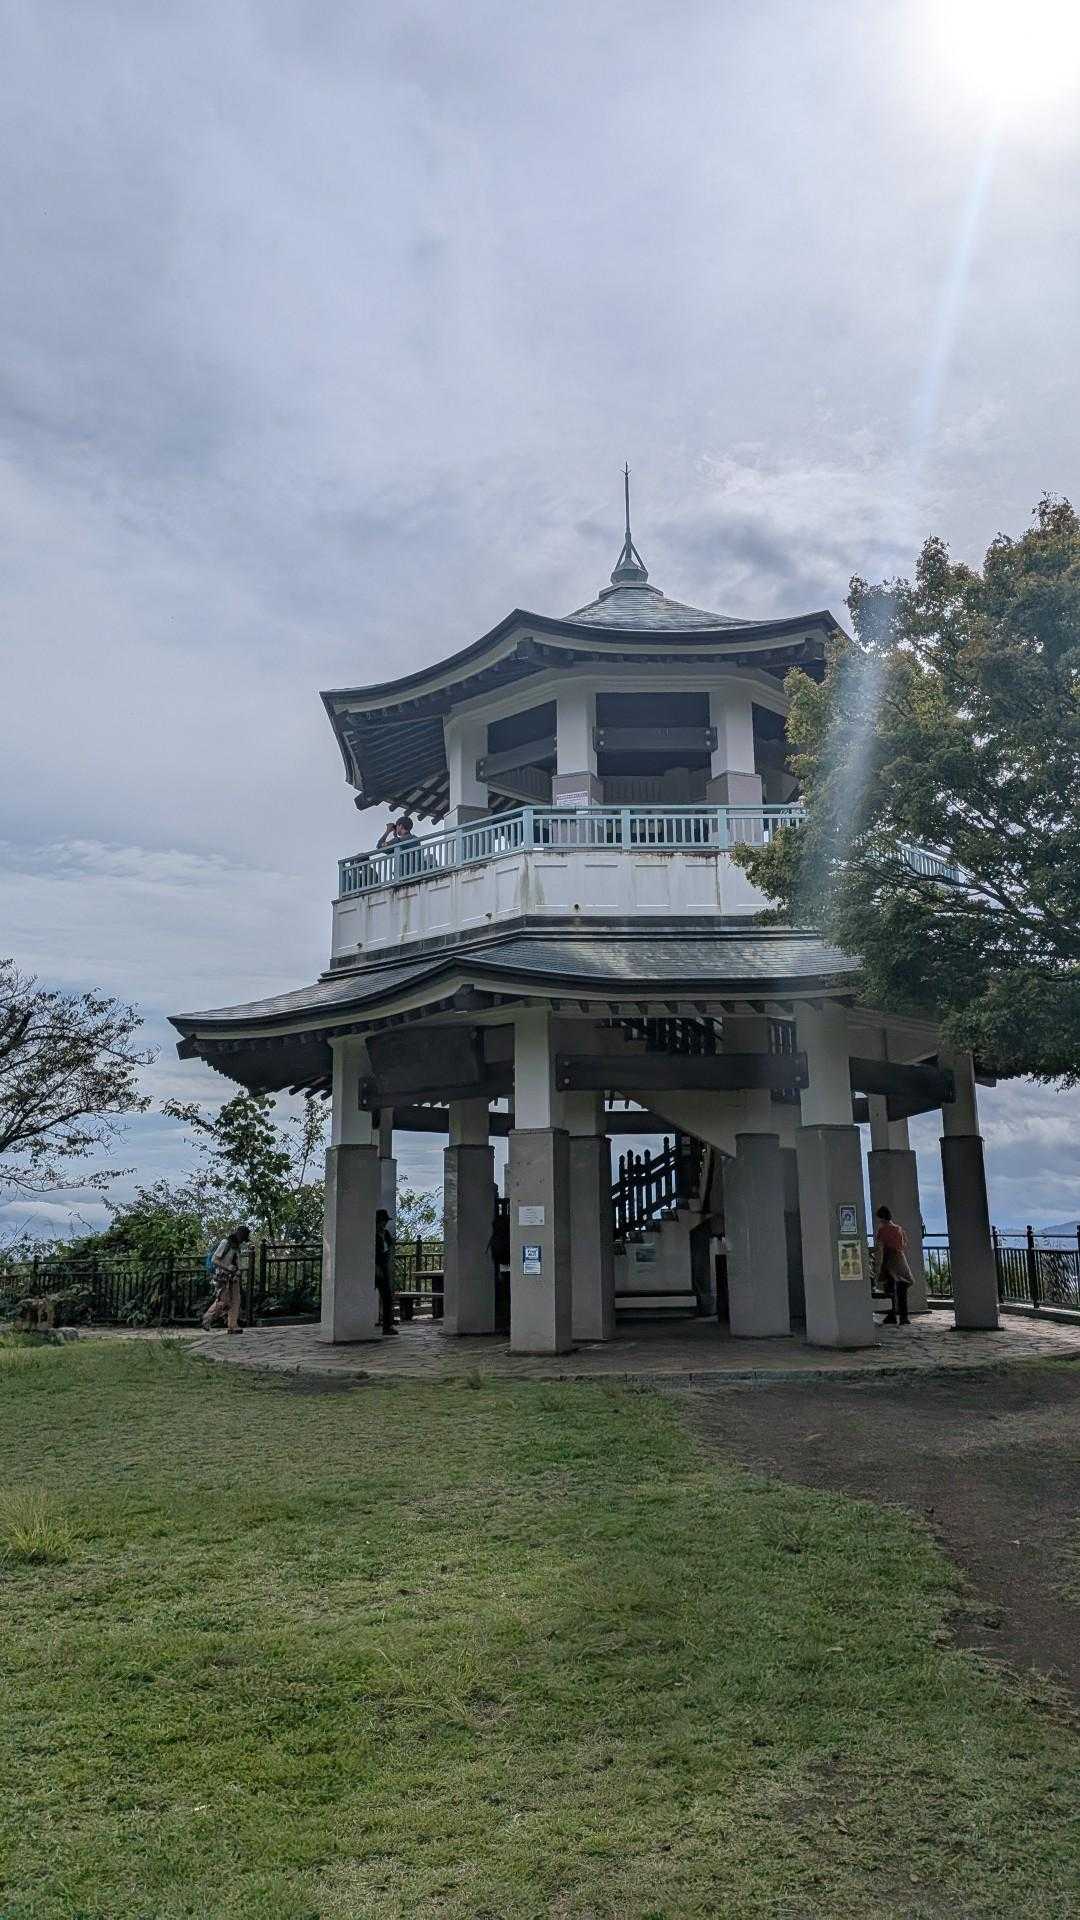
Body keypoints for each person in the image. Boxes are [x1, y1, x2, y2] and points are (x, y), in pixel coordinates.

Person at [202, 1226, 250, 1334]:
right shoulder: (225, 1243)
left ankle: (233, 1325)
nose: (243, 1241)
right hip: (223, 1277)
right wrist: (228, 1267)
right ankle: (207, 1318)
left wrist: (238, 1271)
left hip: (234, 1277)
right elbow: (215, 1259)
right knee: (224, 1301)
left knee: (236, 1300)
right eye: (242, 1238)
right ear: (239, 1235)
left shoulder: (237, 1247)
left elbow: (236, 1261)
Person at [873, 1206, 913, 1325]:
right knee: (902, 1290)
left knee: (889, 1291)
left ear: (882, 1218)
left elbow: (879, 1248)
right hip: (900, 1260)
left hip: (888, 1262)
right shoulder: (898, 1229)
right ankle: (904, 1317)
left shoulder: (882, 1230)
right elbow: (904, 1244)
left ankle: (892, 1316)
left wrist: (877, 1265)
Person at [374, 1208, 398, 1335]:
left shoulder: (386, 1233)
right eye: (382, 1221)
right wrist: (375, 1267)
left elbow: (390, 1248)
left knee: (387, 1296)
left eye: (385, 1222)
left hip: (384, 1267)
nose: (384, 1224)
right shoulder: (372, 1234)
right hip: (374, 1267)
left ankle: (387, 1326)